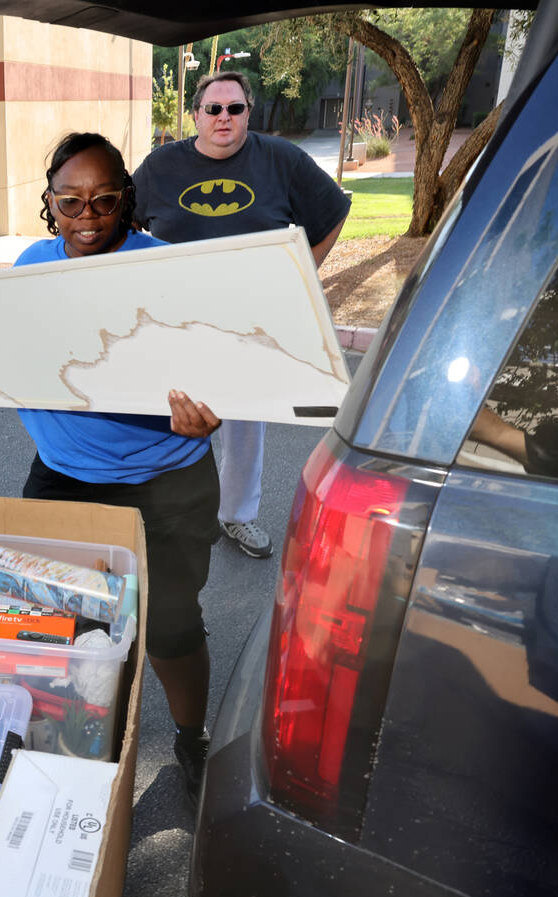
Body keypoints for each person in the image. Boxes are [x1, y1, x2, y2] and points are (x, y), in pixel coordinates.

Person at [0, 133, 223, 806]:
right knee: (54, 626)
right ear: (50, 204)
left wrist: (211, 412)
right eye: (71, 202)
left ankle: (189, 736)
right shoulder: (35, 264)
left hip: (168, 480)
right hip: (63, 477)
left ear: (126, 197)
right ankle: (77, 744)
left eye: (103, 200)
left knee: (171, 627)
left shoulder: (165, 269)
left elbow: (220, 371)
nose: (88, 216)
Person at [132, 71, 350, 559]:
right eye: (214, 109)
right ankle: (161, 512)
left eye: (235, 108)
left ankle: (237, 517)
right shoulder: (161, 166)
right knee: (169, 417)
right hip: (175, 322)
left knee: (245, 427)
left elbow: (334, 210)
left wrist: (304, 271)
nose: (224, 117)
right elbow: (125, 225)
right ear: (196, 115)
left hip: (251, 324)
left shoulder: (281, 159)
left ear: (248, 112)